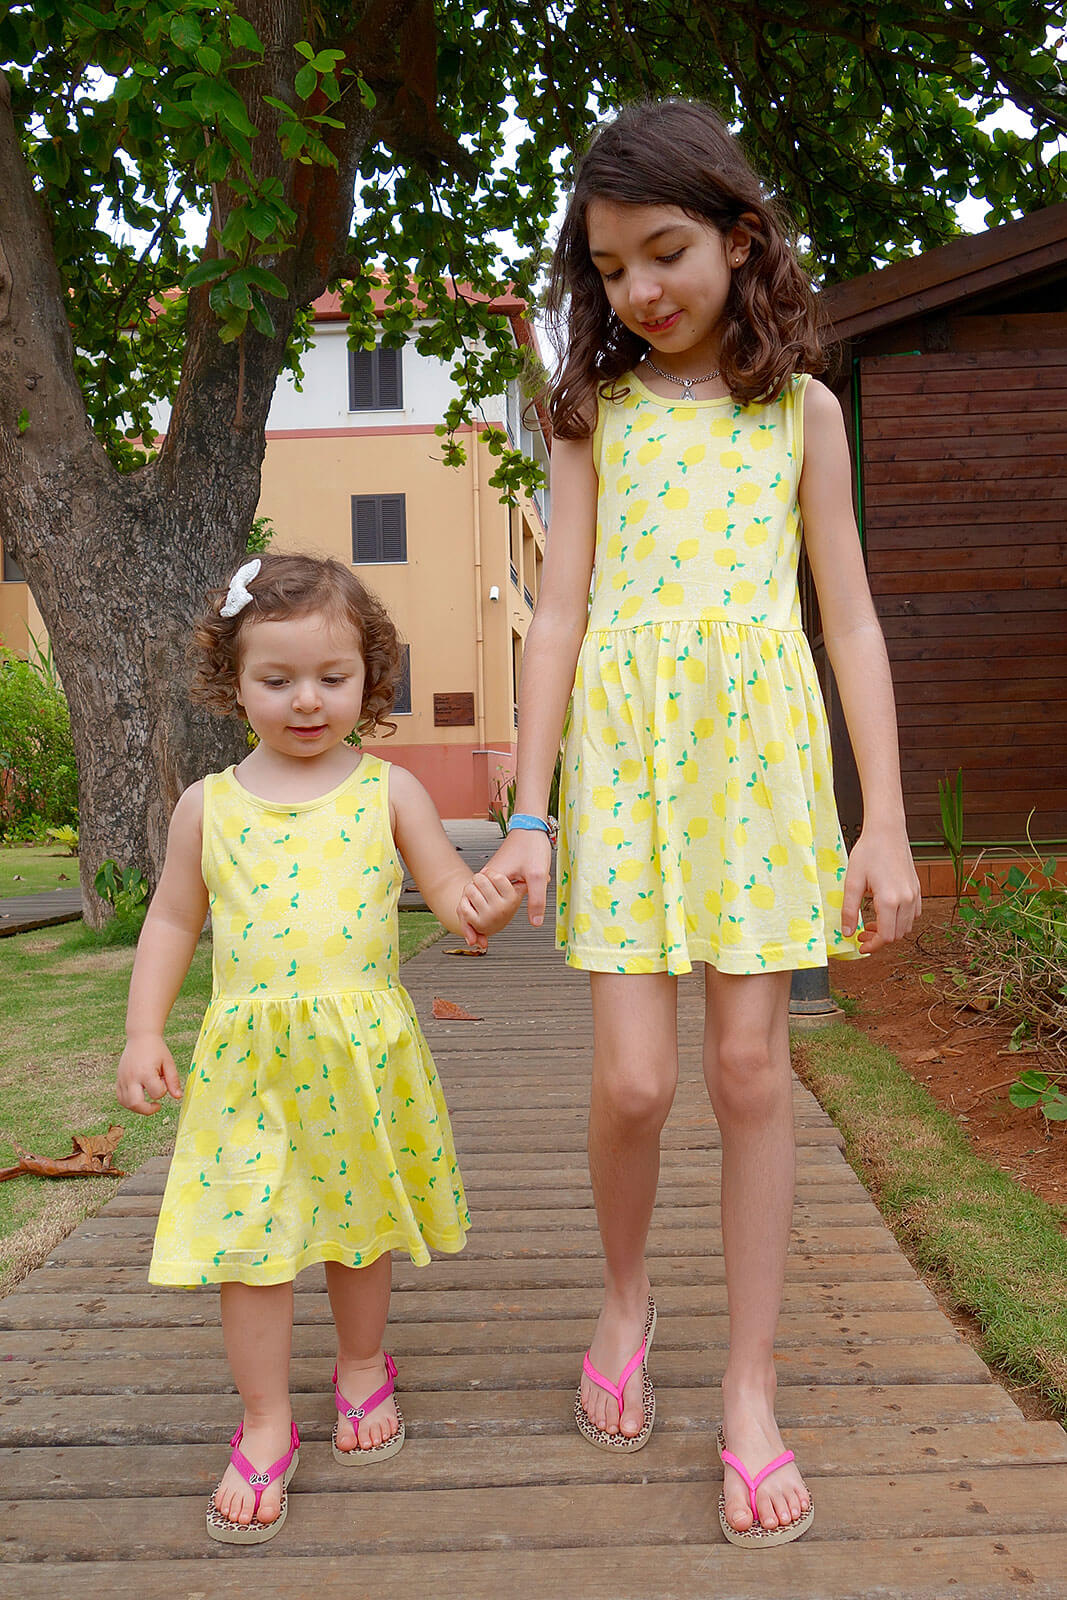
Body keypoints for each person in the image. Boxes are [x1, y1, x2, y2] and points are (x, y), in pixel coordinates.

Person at [488, 100, 921, 1549]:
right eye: (608, 270)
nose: (638, 292)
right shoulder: (588, 413)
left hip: (756, 770)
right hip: (621, 765)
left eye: (661, 252)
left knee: (746, 1068)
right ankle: (624, 1297)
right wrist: (527, 811)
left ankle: (748, 1385)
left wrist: (886, 827)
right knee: (630, 1086)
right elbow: (553, 616)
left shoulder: (800, 412)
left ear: (739, 238)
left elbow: (847, 621)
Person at [116, 552, 520, 1545]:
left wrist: (487, 902)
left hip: (358, 1057)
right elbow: (172, 920)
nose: (306, 701)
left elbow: (450, 894)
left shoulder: (389, 792)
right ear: (231, 682)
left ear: (367, 677)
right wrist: (141, 1029)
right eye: (277, 679)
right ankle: (262, 1422)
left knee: (357, 1221)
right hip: (246, 1063)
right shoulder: (207, 806)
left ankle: (357, 1365)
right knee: (248, 1247)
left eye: (331, 679)